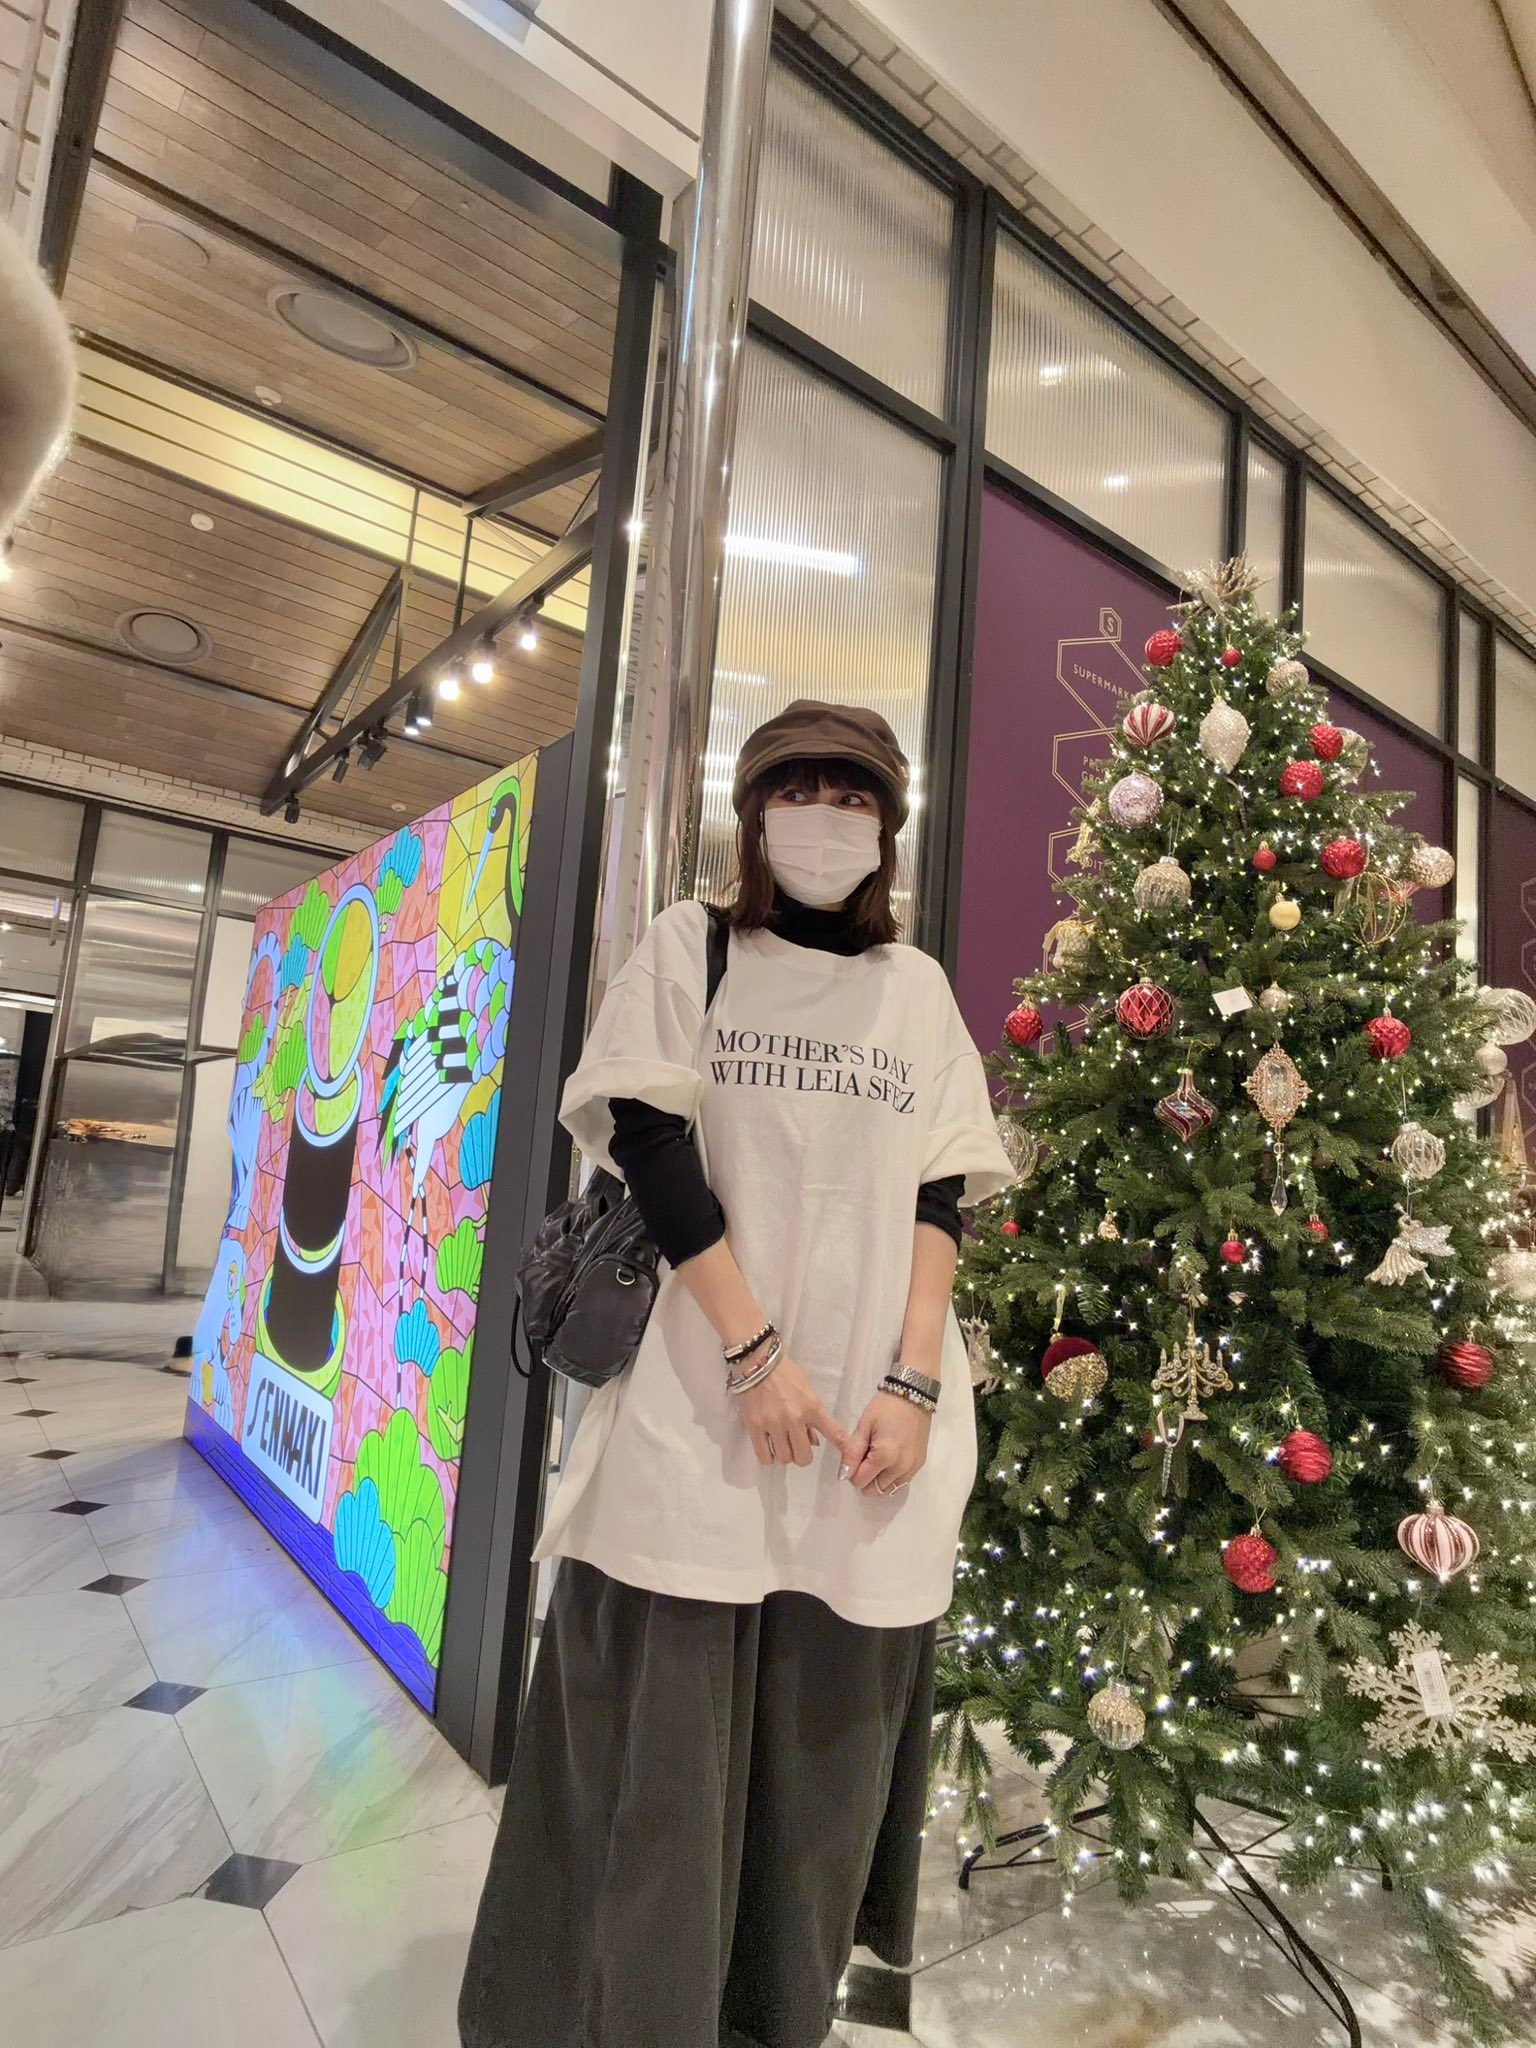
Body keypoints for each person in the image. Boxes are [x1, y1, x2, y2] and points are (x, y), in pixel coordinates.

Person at [460, 700, 1013, 2048]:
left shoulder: (916, 990)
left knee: (819, 1761)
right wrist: (756, 1353)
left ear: (889, 828)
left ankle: (772, 2017)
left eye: (854, 795)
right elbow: (650, 1145)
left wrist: (915, 1383)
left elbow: (942, 1194)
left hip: (867, 1432)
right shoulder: (692, 947)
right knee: (658, 1755)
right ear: (756, 813)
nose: (826, 817)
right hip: (697, 1411)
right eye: (799, 790)